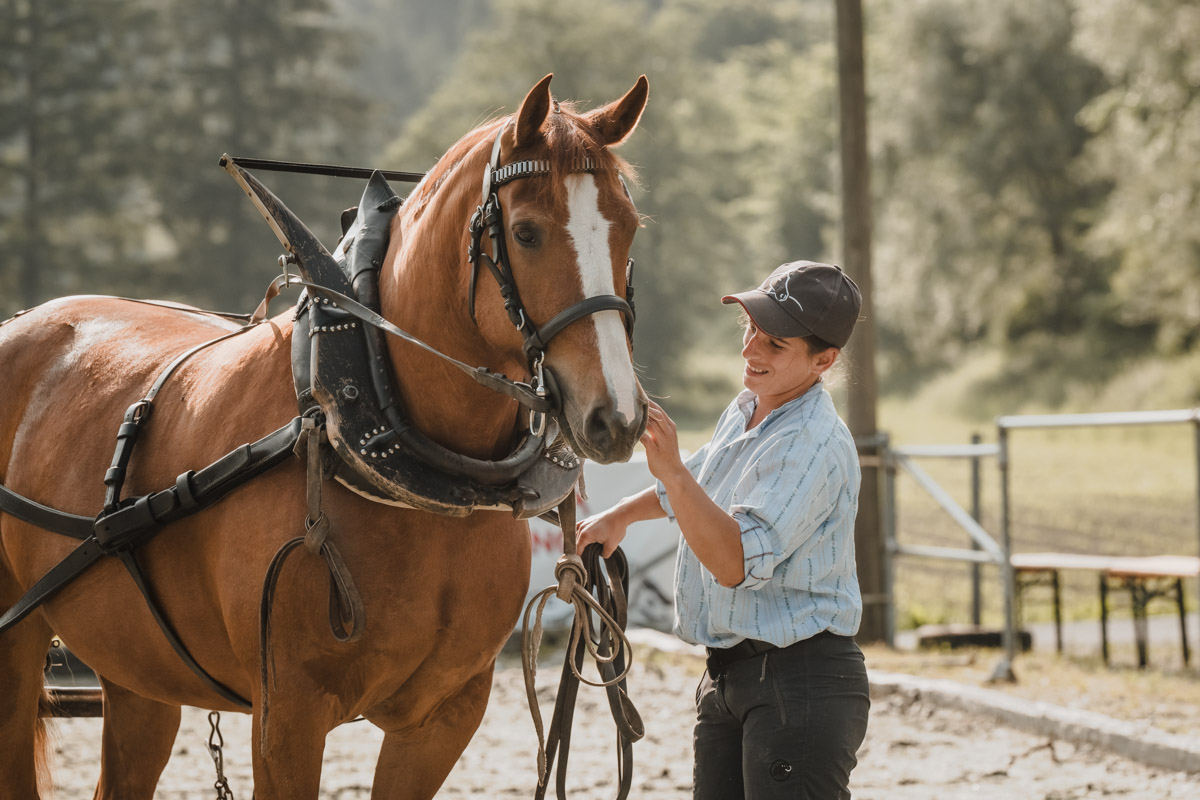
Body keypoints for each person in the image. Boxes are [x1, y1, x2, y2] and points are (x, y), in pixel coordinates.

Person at [577, 260, 869, 799]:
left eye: (775, 344)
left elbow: (734, 562)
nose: (751, 350)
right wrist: (619, 516)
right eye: (750, 330)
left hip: (798, 682)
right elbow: (699, 485)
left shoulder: (810, 443)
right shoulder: (750, 410)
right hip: (734, 677)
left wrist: (672, 472)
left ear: (823, 360)